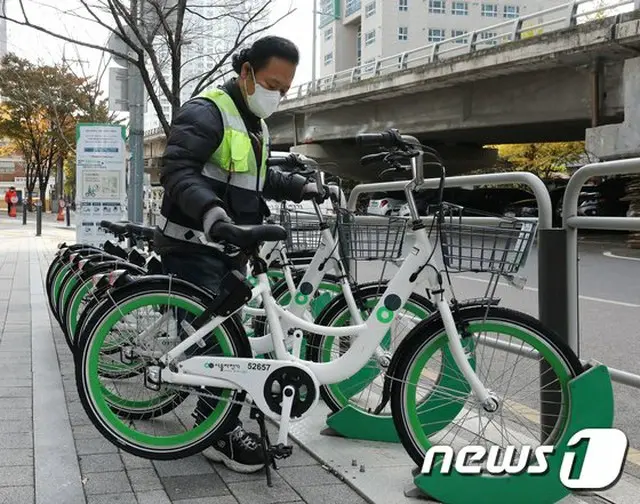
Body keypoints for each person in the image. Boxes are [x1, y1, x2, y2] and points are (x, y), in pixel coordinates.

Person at [154, 36, 326, 474]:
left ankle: (219, 419)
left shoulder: (255, 124)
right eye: (272, 83)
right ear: (246, 72)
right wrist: (211, 212)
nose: (277, 95)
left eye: (285, 89)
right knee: (227, 344)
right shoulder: (207, 111)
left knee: (230, 337)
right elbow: (176, 170)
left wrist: (301, 187)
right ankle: (220, 433)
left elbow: (259, 176)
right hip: (194, 244)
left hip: (226, 247)